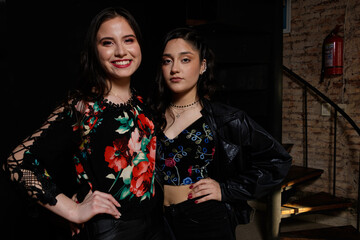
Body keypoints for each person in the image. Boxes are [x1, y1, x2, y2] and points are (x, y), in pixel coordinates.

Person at [4, 7, 164, 240]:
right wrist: (72, 209)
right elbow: (17, 163)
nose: (121, 51)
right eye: (108, 43)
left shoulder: (141, 100)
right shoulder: (84, 106)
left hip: (155, 227)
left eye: (128, 40)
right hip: (113, 232)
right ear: (94, 51)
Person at [152, 27, 292, 240]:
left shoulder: (226, 118)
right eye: (167, 61)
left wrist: (226, 190)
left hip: (204, 219)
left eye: (185, 60)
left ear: (202, 66)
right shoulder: (151, 116)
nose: (175, 69)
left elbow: (278, 160)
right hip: (158, 220)